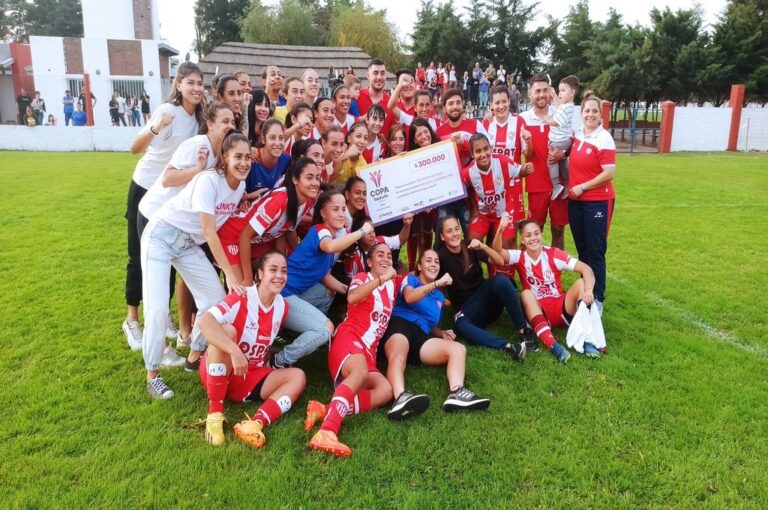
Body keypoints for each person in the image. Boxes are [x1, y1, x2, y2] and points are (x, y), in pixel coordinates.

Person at [141, 131, 251, 399]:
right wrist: (228, 271)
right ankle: (152, 375)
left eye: (248, 157)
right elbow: (209, 231)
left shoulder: (240, 188)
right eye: (238, 156)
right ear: (224, 157)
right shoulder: (207, 180)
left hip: (186, 243)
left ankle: (194, 354)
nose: (244, 163)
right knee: (156, 309)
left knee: (215, 301)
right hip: (161, 234)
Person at [137, 102, 234, 349]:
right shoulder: (197, 145)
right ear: (210, 124)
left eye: (232, 122)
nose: (229, 126)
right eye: (224, 121)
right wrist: (197, 170)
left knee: (187, 286)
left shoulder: (220, 151)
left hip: (180, 224)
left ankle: (189, 341)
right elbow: (168, 179)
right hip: (154, 216)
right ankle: (162, 349)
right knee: (159, 292)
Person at [124, 62, 205, 351]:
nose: (196, 88)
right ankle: (132, 320)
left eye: (200, 83)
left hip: (168, 194)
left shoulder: (199, 119)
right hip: (146, 186)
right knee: (138, 255)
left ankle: (162, 315)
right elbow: (135, 147)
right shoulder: (167, 112)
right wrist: (156, 128)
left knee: (166, 260)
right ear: (179, 84)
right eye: (191, 82)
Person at [197, 250, 306, 447]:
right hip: (220, 367)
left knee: (298, 376)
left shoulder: (282, 307)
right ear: (260, 274)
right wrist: (235, 351)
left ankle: (255, 423)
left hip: (249, 373)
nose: (279, 276)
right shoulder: (241, 296)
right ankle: (214, 413)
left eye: (283, 271)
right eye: (273, 270)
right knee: (228, 331)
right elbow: (205, 322)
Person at [304, 243, 399, 457]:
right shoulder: (364, 278)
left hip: (368, 354)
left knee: (386, 390)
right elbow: (352, 297)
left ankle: (325, 409)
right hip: (349, 339)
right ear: (370, 262)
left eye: (389, 256)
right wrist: (380, 279)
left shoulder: (393, 286)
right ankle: (327, 430)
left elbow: (414, 287)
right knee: (360, 372)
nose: (385, 259)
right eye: (379, 255)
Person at [269, 189, 375, 370]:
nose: (341, 214)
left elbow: (325, 276)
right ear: (323, 213)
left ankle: (302, 334)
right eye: (335, 209)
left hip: (297, 294)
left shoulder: (332, 236)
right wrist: (361, 231)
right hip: (282, 296)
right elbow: (331, 247)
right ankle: (280, 360)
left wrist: (355, 291)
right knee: (326, 329)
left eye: (343, 209)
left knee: (328, 291)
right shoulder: (321, 231)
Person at [381, 249, 490, 420]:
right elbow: (409, 298)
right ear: (419, 266)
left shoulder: (439, 296)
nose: (433, 264)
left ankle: (456, 392)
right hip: (400, 324)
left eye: (437, 262)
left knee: (458, 349)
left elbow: (429, 323)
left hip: (421, 336)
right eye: (429, 261)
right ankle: (400, 398)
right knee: (398, 356)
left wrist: (440, 332)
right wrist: (436, 283)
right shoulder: (412, 280)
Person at [491, 217, 598, 361]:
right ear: (522, 240)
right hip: (539, 311)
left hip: (561, 309)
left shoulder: (554, 254)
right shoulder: (519, 256)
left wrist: (588, 290)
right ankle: (555, 347)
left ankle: (588, 339)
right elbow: (497, 251)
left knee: (580, 283)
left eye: (536, 233)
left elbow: (586, 268)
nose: (533, 238)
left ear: (541, 235)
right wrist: (500, 230)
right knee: (526, 294)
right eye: (528, 235)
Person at [436, 215, 530, 359]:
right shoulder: (440, 257)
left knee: (501, 280)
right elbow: (430, 282)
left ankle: (524, 331)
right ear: (442, 237)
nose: (454, 234)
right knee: (461, 325)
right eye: (449, 231)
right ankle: (510, 347)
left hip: (488, 303)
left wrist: (484, 246)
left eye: (456, 229)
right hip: (469, 310)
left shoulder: (470, 245)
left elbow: (499, 262)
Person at [217, 157, 320, 284]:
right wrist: (248, 278)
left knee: (277, 276)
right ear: (295, 180)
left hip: (258, 240)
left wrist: (283, 265)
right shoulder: (279, 201)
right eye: (309, 178)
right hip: (232, 236)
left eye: (317, 177)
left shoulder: (309, 200)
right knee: (243, 290)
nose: (315, 183)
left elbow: (282, 233)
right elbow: (245, 236)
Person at [567, 91, 616, 315]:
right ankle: (586, 293)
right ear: (582, 113)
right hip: (576, 202)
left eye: (594, 111)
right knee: (583, 250)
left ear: (600, 114)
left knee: (596, 252)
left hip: (596, 201)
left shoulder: (603, 137)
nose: (590, 114)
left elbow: (610, 172)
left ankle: (598, 300)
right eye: (587, 110)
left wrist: (584, 186)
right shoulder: (577, 134)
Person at [520, 72, 568, 250]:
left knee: (558, 229)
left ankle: (556, 273)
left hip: (559, 184)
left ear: (550, 92)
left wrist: (562, 154)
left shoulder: (560, 115)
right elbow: (527, 153)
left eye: (545, 90)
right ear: (530, 94)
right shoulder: (522, 119)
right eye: (537, 91)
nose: (541, 95)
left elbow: (575, 142)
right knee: (532, 230)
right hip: (536, 185)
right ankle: (529, 272)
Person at [463, 134, 532, 256]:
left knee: (505, 244)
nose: (483, 154)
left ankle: (505, 273)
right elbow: (465, 189)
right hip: (483, 215)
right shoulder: (468, 172)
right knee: (472, 241)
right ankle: (477, 271)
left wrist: (526, 169)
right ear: (472, 154)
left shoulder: (502, 161)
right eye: (478, 151)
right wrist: (474, 208)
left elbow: (519, 171)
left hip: (504, 212)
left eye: (486, 149)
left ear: (490, 148)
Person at [436, 88, 488, 235]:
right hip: (446, 193)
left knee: (471, 235)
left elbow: (487, 150)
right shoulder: (439, 132)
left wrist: (464, 142)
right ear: (444, 108)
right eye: (451, 103)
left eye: (458, 102)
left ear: (463, 105)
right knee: (444, 234)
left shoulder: (475, 125)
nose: (455, 107)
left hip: (470, 193)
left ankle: (472, 259)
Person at [405, 118, 441, 271]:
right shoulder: (409, 157)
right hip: (415, 204)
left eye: (426, 131)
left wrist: (433, 201)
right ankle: (413, 267)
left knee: (427, 233)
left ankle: (426, 267)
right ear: (414, 139)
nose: (424, 136)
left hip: (433, 204)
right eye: (419, 134)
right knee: (413, 235)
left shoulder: (441, 151)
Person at [543, 75, 579, 200]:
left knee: (551, 161)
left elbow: (555, 122)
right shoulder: (566, 106)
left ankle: (556, 185)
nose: (560, 93)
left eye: (563, 91)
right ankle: (569, 184)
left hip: (559, 141)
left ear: (572, 92)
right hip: (562, 140)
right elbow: (559, 104)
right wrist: (554, 95)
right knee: (563, 164)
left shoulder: (567, 108)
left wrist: (546, 119)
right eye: (560, 90)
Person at [245, 119, 291, 199]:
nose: (277, 143)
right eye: (272, 138)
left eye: (281, 138)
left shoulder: (287, 160)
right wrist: (245, 198)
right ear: (263, 139)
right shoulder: (252, 158)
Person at [332, 121, 368, 185]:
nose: (362, 141)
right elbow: (328, 176)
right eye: (358, 136)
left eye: (365, 138)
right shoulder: (337, 152)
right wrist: (346, 156)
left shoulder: (364, 165)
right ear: (349, 138)